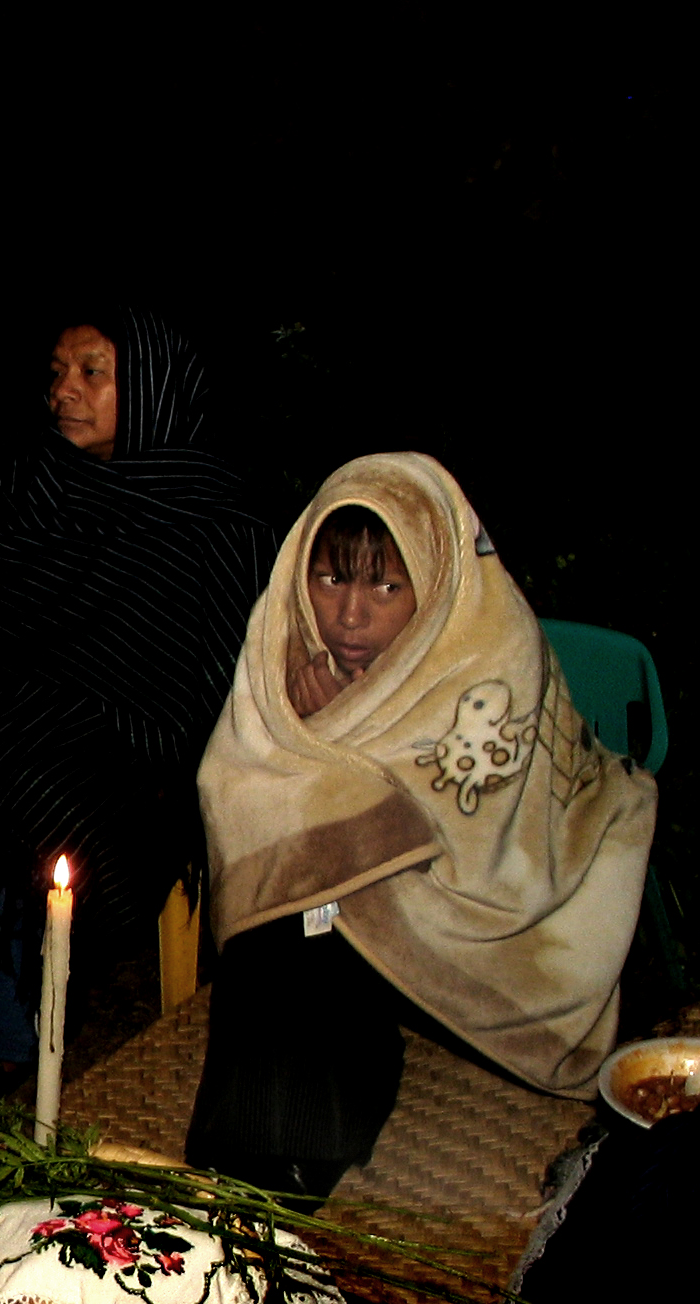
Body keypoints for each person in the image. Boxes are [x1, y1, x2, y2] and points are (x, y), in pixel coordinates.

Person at [187, 452, 658, 1192]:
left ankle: (303, 1142)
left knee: (322, 913)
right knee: (284, 923)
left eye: (386, 585)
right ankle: (252, 1157)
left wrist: (332, 750)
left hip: (490, 904)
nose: (349, 613)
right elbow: (239, 786)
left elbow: (485, 829)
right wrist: (318, 732)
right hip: (367, 887)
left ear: (434, 585)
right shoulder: (288, 643)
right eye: (331, 576)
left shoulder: (494, 649)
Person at [0, 307, 272, 1096]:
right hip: (31, 705)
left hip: (144, 744)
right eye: (58, 373)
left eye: (92, 372)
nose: (64, 390)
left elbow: (213, 675)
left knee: (32, 800)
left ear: (155, 388)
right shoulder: (40, 481)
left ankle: (6, 1033)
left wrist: (112, 715)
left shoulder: (216, 515)